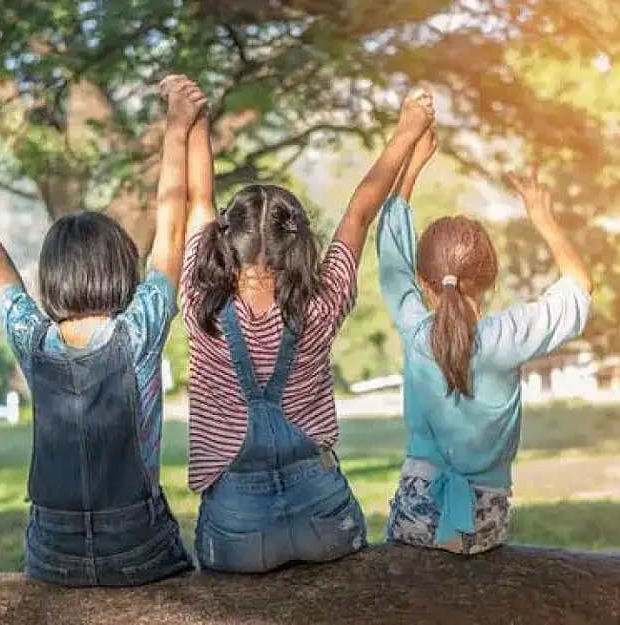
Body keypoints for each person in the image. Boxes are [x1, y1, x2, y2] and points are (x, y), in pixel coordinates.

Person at [0, 75, 206, 585]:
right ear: (120, 270)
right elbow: (172, 226)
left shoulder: (33, 341)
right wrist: (177, 129)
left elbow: (0, 268)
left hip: (53, 555)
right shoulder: (141, 331)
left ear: (53, 278)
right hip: (139, 550)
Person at [181, 90, 436, 573]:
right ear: (297, 242)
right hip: (325, 519)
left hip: (238, 532)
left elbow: (198, 198)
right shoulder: (323, 301)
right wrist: (407, 131)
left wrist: (195, 121)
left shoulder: (200, 303)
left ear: (226, 238)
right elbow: (360, 210)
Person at [378, 128, 594, 554]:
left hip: (417, 513)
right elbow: (580, 288)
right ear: (490, 280)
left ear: (425, 283)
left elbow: (391, 260)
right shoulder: (508, 337)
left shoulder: (415, 330)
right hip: (485, 521)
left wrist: (411, 170)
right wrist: (542, 218)